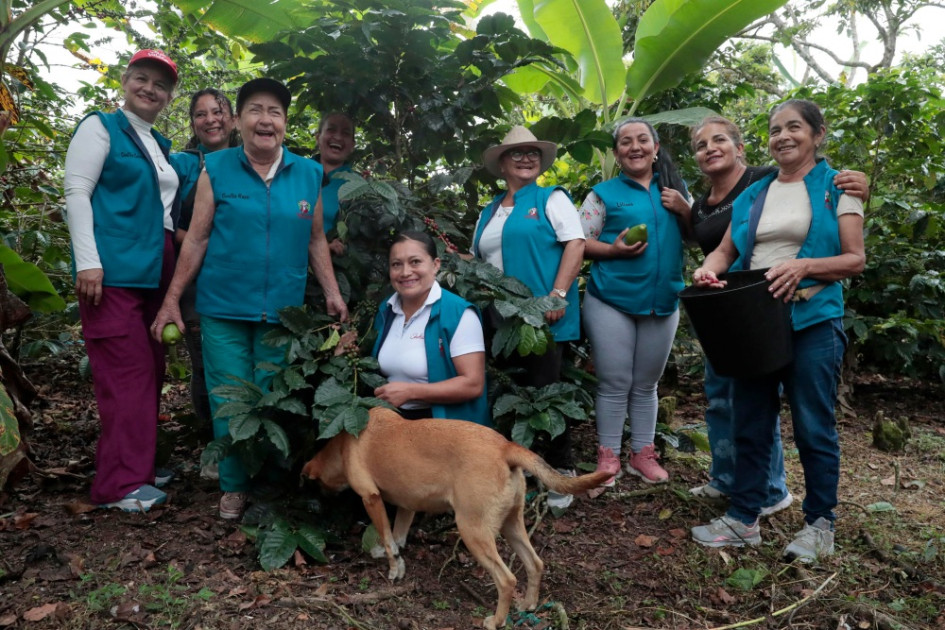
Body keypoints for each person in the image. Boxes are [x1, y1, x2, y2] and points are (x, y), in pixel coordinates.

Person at [150, 77, 348, 521]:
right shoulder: (215, 169)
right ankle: (235, 485)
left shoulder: (308, 173)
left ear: (284, 124)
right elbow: (196, 239)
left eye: (275, 113)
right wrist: (172, 300)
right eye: (256, 110)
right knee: (230, 401)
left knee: (273, 397)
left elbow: (316, 240)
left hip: (282, 315)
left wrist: (333, 294)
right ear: (239, 121)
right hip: (222, 310)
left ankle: (270, 486)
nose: (266, 120)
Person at [690, 99, 865, 562]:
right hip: (755, 322)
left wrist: (804, 265)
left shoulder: (837, 187)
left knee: (812, 423)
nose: (783, 136)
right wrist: (708, 269)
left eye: (794, 128)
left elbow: (854, 259)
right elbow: (726, 251)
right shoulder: (754, 193)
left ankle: (819, 522)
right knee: (750, 418)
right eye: (774, 130)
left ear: (817, 133)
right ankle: (745, 516)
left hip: (813, 319)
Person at [63, 49, 180, 512]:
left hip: (155, 273)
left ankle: (139, 466)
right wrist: (87, 262)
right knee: (126, 373)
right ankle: (120, 485)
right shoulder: (100, 126)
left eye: (160, 84)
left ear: (169, 96)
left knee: (151, 369)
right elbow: (77, 191)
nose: (150, 89)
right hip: (111, 274)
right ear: (125, 80)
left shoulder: (160, 144)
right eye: (142, 78)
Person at [471, 125, 585, 511]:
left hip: (542, 316)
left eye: (532, 152)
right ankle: (513, 475)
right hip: (497, 319)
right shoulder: (488, 210)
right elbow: (480, 262)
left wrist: (557, 295)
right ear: (501, 163)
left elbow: (576, 243)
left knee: (545, 392)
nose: (525, 157)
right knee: (508, 394)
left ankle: (561, 475)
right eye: (516, 152)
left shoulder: (551, 198)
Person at [579, 117, 690, 488]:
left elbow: (697, 233)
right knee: (614, 381)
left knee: (646, 384)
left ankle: (642, 453)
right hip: (611, 300)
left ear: (656, 148)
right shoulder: (603, 193)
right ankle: (607, 456)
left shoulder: (675, 189)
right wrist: (612, 250)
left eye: (643, 140)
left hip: (664, 300)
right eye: (626, 142)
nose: (635, 147)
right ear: (617, 153)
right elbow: (577, 242)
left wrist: (685, 208)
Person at [169, 89, 238, 435]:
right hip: (197, 284)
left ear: (234, 118)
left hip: (242, 283)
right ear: (193, 123)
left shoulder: (250, 160)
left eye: (218, 111)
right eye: (201, 114)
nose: (211, 119)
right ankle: (212, 440)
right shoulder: (183, 164)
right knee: (205, 364)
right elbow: (170, 227)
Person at [371, 231, 489, 424]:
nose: (405, 272)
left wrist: (411, 392)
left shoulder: (459, 314)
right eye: (396, 264)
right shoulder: (386, 310)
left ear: (435, 265)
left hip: (446, 430)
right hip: (393, 426)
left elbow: (473, 385)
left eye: (415, 262)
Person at [314, 112, 356, 255]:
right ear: (318, 137)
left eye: (345, 133)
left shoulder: (358, 186)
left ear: (352, 145)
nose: (337, 137)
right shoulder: (296, 172)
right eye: (331, 130)